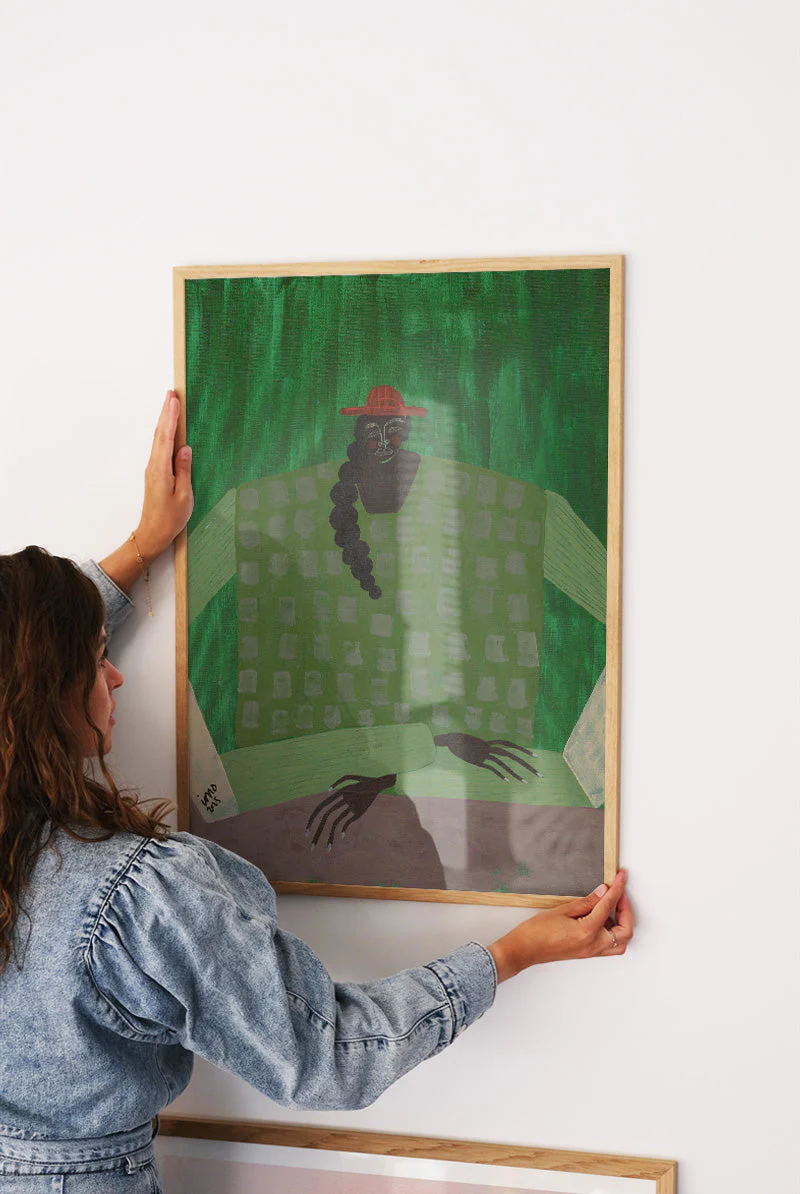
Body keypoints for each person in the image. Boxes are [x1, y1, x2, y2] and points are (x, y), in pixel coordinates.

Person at [0, 392, 633, 1193]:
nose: (117, 675)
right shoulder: (133, 899)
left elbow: (18, 649)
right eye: (96, 660)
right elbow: (331, 1058)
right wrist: (514, 952)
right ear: (47, 693)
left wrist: (144, 544)